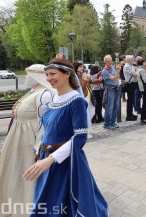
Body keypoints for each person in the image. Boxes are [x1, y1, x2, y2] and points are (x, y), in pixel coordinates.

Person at [23, 59, 108, 216]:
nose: (49, 78)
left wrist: (51, 159)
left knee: (61, 203)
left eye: (53, 74)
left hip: (66, 162)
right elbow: (47, 129)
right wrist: (39, 150)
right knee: (46, 199)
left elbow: (80, 137)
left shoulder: (76, 101)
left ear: (68, 74)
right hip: (46, 156)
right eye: (47, 74)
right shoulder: (53, 98)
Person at [0, 64, 54, 216]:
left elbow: (45, 124)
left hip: (29, 143)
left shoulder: (44, 94)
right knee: (15, 175)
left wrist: (38, 148)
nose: (26, 77)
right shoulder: (33, 91)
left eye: (28, 74)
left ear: (36, 75)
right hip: (18, 141)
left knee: (28, 179)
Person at [102, 55, 122, 130]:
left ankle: (113, 122)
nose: (110, 62)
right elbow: (114, 78)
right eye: (108, 61)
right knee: (109, 107)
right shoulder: (105, 70)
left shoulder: (112, 68)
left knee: (115, 106)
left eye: (111, 60)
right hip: (110, 89)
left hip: (116, 88)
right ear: (105, 62)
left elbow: (117, 77)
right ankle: (107, 124)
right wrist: (118, 71)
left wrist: (117, 72)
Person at [123, 55, 138, 121]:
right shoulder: (127, 66)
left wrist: (136, 70)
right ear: (129, 60)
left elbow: (136, 70)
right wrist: (136, 71)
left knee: (131, 100)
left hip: (133, 84)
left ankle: (130, 113)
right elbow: (135, 74)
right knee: (130, 100)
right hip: (130, 84)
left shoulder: (131, 65)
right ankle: (128, 116)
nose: (133, 60)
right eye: (132, 59)